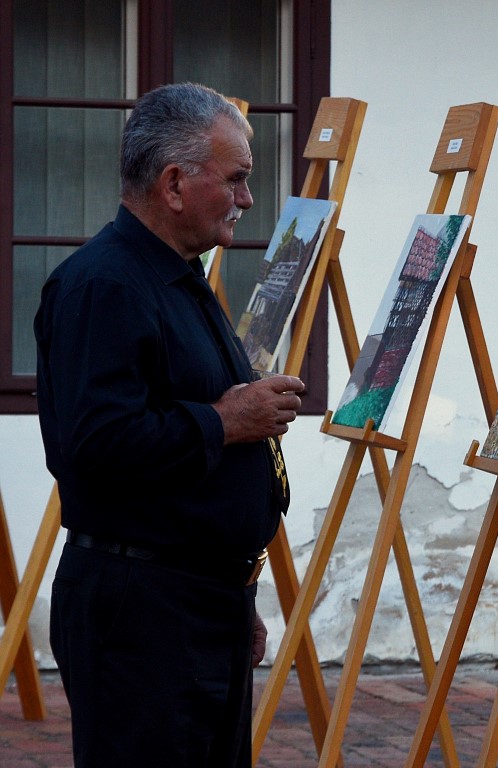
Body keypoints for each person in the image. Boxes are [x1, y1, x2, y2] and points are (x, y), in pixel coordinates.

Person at [34, 82, 306, 767]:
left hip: (198, 601)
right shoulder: (106, 286)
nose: (247, 199)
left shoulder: (177, 278)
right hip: (144, 616)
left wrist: (234, 591)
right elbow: (94, 447)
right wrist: (225, 420)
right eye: (236, 179)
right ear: (176, 183)